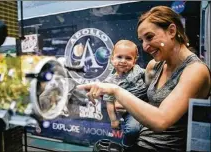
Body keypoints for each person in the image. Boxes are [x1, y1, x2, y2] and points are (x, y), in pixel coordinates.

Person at [77, 6, 211, 152]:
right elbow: (144, 102)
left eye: (150, 37)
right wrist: (120, 103)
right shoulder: (154, 66)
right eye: (141, 40)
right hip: (140, 141)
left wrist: (116, 90)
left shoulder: (195, 70)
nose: (145, 46)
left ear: (172, 31)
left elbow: (161, 121)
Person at [103, 40, 147, 148]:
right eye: (119, 57)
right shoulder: (110, 81)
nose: (123, 61)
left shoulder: (138, 71)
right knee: (132, 130)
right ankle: (125, 146)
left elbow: (151, 76)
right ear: (112, 59)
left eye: (128, 58)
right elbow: (109, 102)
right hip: (131, 112)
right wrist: (114, 120)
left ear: (134, 61)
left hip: (146, 105)